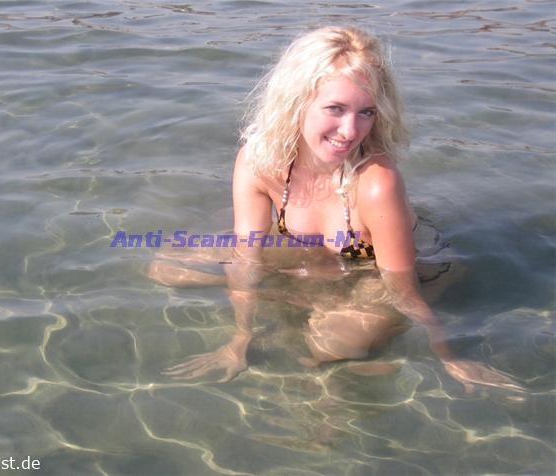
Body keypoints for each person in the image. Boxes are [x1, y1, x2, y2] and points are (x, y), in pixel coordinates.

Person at [151, 26, 521, 392]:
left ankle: (312, 307)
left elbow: (401, 286)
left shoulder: (376, 182)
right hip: (315, 257)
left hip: (394, 270)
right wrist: (240, 340)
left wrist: (449, 356)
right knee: (166, 269)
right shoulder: (258, 162)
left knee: (331, 344)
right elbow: (245, 256)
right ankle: (300, 295)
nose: (350, 131)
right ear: (296, 103)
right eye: (335, 109)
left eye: (366, 112)